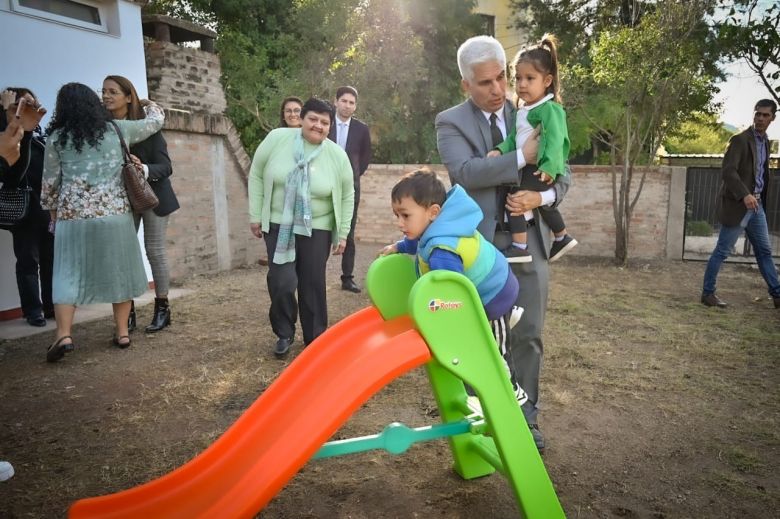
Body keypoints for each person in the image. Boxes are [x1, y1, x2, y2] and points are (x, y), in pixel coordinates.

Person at [436, 35, 571, 451]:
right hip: (476, 247)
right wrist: (520, 158)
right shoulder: (450, 121)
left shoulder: (536, 109)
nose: (498, 91)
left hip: (529, 239)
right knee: (481, 338)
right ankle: (487, 418)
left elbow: (562, 171)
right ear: (465, 85)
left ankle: (526, 421)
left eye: (501, 79)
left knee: (528, 332)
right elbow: (466, 172)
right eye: (484, 83)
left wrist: (541, 197)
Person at [41, 82, 165, 362]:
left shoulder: (57, 138)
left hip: (74, 219)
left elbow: (50, 184)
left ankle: (63, 335)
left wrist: (53, 216)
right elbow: (156, 122)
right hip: (115, 216)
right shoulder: (116, 130)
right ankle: (122, 333)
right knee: (118, 272)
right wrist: (145, 103)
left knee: (66, 274)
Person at [380, 169, 526, 405]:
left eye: (405, 215)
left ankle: (510, 388)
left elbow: (452, 294)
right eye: (397, 215)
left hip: (494, 294)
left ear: (433, 212)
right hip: (488, 285)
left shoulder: (442, 251)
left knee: (493, 348)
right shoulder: (436, 227)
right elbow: (416, 241)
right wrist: (399, 247)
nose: (400, 223)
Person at [248, 97, 354, 358]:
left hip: (316, 228)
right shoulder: (277, 139)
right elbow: (257, 173)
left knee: (312, 283)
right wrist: (255, 214)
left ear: (330, 127)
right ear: (301, 119)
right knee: (282, 281)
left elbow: (347, 195)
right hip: (278, 223)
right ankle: (284, 332)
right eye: (313, 119)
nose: (318, 126)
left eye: (325, 122)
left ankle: (315, 337)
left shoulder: (336, 155)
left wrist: (342, 233)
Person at [487, 34, 577, 263]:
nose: (522, 84)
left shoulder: (549, 109)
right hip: (529, 166)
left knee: (514, 200)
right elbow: (514, 138)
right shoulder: (523, 110)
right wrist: (499, 149)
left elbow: (557, 140)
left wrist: (549, 167)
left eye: (529, 78)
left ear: (547, 81)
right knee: (540, 204)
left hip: (539, 167)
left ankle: (520, 246)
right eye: (518, 78)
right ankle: (562, 236)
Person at [103, 75, 180, 333]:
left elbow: (166, 166)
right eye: (104, 91)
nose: (106, 96)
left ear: (128, 96)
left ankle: (162, 308)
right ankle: (127, 312)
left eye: (113, 91)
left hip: (153, 196)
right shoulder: (102, 128)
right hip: (120, 199)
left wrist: (143, 168)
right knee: (122, 254)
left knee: (154, 250)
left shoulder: (148, 126)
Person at [701, 99, 779, 309]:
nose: (760, 118)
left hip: (757, 207)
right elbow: (728, 171)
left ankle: (777, 294)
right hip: (739, 205)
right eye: (757, 114)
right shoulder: (740, 140)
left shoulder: (765, 142)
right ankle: (708, 294)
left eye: (765, 115)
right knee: (722, 251)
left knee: (764, 252)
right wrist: (745, 194)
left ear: (773, 118)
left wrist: (756, 197)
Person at [0, 88, 54, 327]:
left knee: (50, 260)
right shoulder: (9, 132)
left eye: (33, 102)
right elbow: (11, 171)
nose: (31, 105)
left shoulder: (41, 133)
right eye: (25, 102)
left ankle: (52, 306)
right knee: (28, 262)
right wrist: (6, 112)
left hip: (46, 207)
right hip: (23, 209)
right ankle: (33, 311)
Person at [327, 86, 371, 293]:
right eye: (344, 101)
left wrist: (350, 178)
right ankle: (314, 273)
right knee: (321, 231)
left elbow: (364, 160)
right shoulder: (324, 122)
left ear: (355, 106)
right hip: (323, 184)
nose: (347, 105)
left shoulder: (362, 129)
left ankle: (347, 278)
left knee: (349, 233)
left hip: (350, 188)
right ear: (336, 102)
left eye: (351, 102)